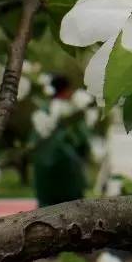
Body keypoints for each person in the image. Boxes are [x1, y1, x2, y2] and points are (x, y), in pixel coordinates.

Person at [32, 76, 91, 207]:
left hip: (44, 178)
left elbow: (33, 143)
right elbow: (83, 141)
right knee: (73, 214)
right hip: (69, 176)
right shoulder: (72, 112)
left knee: (45, 215)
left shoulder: (42, 112)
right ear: (67, 90)